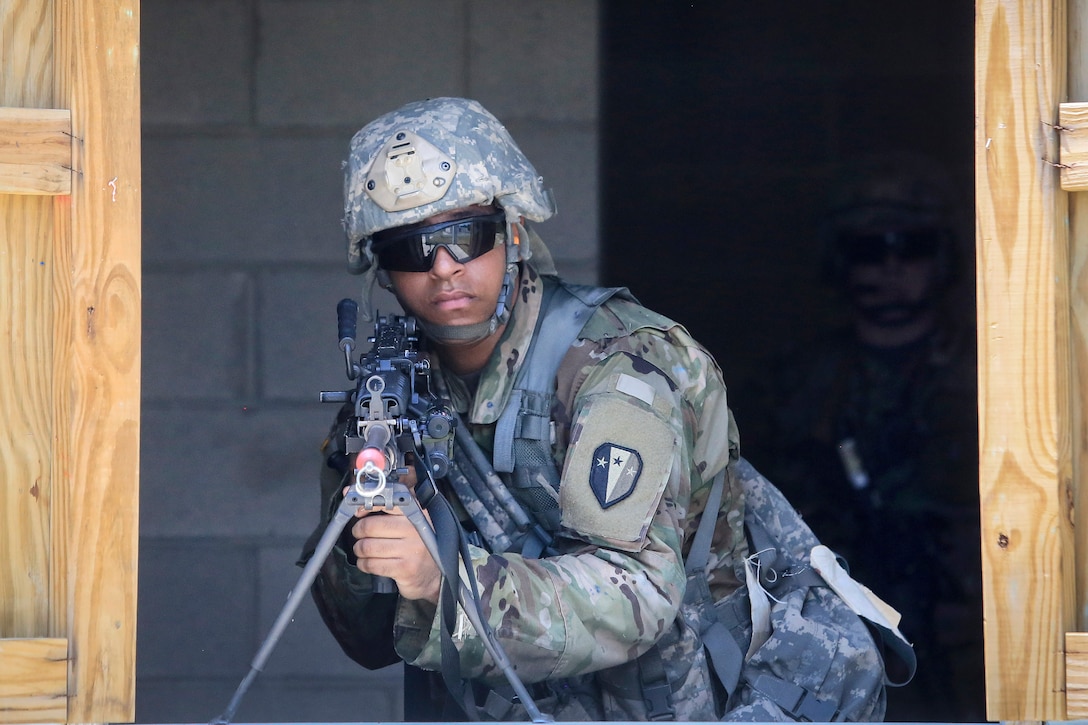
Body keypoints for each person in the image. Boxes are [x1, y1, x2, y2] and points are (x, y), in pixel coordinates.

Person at [297, 97, 749, 721]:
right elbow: (366, 640)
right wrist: (366, 537)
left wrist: (444, 582)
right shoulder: (390, 394)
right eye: (411, 248)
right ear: (383, 270)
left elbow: (638, 597)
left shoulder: (617, 364)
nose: (444, 267)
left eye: (464, 235)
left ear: (512, 233)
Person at [735, 154, 983, 722]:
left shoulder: (993, 378)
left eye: (910, 247)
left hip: (969, 631)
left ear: (941, 257)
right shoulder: (794, 384)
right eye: (870, 251)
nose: (890, 267)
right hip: (836, 631)